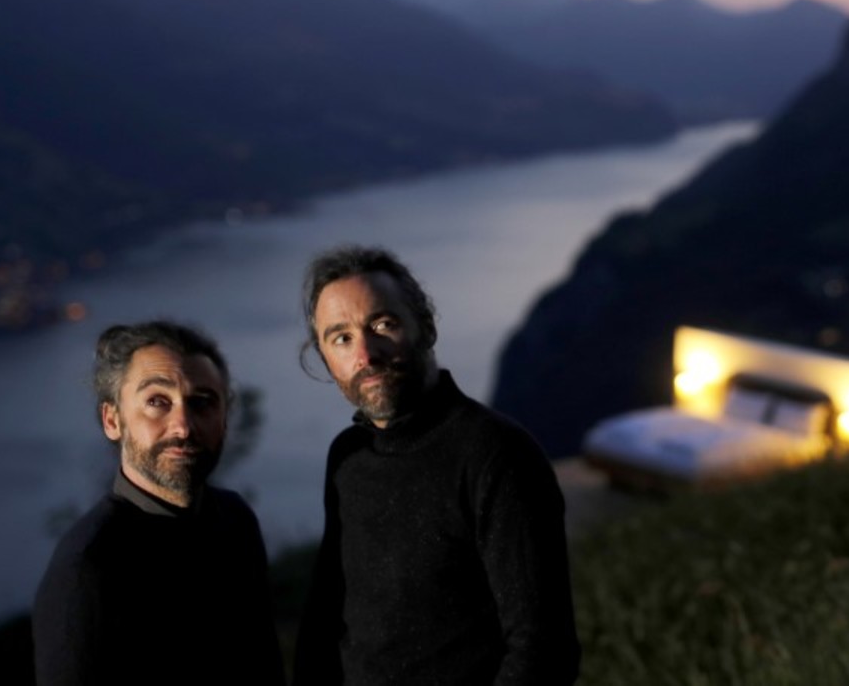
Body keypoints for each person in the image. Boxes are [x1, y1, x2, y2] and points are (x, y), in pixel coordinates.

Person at [292, 245, 580, 686]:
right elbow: (324, 615)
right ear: (326, 359)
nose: (365, 354)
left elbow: (543, 649)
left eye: (382, 325)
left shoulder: (497, 454)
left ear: (424, 327)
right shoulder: (348, 457)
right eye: (341, 338)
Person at [32, 320, 285, 686]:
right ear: (112, 420)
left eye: (202, 402)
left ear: (225, 419)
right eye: (157, 402)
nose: (183, 426)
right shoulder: (89, 568)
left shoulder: (235, 521)